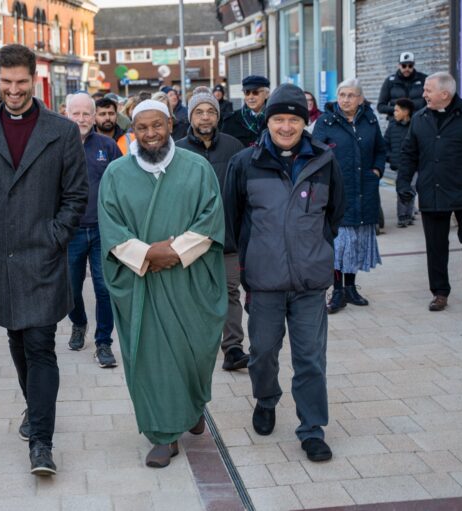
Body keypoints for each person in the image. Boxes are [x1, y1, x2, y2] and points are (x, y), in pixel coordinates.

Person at [0, 44, 88, 476]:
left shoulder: (61, 130)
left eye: (21, 83)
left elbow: (76, 194)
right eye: (6, 83)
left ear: (35, 79)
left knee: (40, 345)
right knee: (17, 340)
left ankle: (42, 443)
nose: (13, 91)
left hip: (43, 255)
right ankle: (35, 411)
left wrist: (55, 236)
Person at [98, 99, 227, 469]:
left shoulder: (197, 168)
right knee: (151, 357)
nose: (150, 134)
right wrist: (146, 255)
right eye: (142, 128)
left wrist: (175, 252)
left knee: (194, 352)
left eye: (157, 126)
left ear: (171, 124)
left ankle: (192, 404)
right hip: (143, 284)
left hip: (190, 279)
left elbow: (210, 217)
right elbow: (111, 226)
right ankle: (162, 435)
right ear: (132, 131)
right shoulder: (117, 174)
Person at [225, 84, 344, 463]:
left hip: (310, 282)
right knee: (262, 353)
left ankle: (312, 428)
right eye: (279, 119)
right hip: (264, 282)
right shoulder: (245, 162)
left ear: (304, 121)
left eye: (294, 119)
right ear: (268, 121)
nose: (286, 126)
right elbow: (233, 219)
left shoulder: (324, 160)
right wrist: (250, 261)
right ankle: (266, 399)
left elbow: (334, 216)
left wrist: (314, 251)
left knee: (310, 359)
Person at [398, 72, 462, 312]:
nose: (423, 94)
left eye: (427, 90)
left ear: (445, 94)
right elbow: (408, 154)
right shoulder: (420, 118)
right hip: (433, 192)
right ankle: (440, 292)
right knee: (435, 245)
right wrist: (403, 184)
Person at [174, 87, 249, 371]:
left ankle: (233, 349)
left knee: (231, 292)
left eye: (210, 112)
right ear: (190, 116)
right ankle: (197, 346)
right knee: (195, 294)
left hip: (228, 236)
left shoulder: (233, 147)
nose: (205, 118)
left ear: (217, 116)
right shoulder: (178, 150)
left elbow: (245, 190)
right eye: (199, 112)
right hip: (192, 238)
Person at [312, 79, 386, 314]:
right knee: (339, 244)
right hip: (337, 191)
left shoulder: (370, 119)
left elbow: (381, 150)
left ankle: (351, 288)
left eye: (351, 95)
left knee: (355, 242)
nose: (345, 99)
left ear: (361, 99)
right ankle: (337, 291)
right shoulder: (326, 120)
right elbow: (314, 152)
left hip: (364, 189)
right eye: (342, 94)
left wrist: (377, 170)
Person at [64, 93, 121, 368]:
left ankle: (104, 342)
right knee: (71, 289)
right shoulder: (57, 146)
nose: (82, 119)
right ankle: (78, 323)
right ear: (66, 114)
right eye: (76, 113)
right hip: (70, 231)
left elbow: (123, 183)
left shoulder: (108, 146)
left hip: (102, 230)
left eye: (87, 114)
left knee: (104, 288)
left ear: (95, 116)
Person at [384, 98, 415, 228]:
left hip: (413, 164)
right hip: (399, 164)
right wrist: (390, 157)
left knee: (411, 188)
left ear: (406, 111)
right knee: (401, 189)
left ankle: (408, 214)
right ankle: (402, 217)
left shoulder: (415, 125)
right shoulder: (392, 126)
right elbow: (385, 144)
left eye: (397, 110)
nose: (394, 113)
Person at [221, 75, 270, 148]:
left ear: (266, 94)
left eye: (255, 92)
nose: (250, 97)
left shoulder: (275, 118)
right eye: (247, 92)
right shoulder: (231, 120)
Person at [377, 52, 427, 122]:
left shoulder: (423, 79)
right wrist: (398, 110)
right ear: (399, 65)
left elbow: (429, 103)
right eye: (404, 66)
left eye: (410, 66)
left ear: (414, 65)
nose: (407, 69)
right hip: (396, 124)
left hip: (417, 122)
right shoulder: (390, 81)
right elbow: (380, 107)